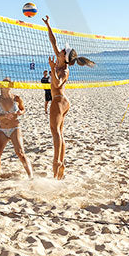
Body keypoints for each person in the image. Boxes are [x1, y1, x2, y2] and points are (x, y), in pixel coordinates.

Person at [43, 15, 95, 178]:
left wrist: (52, 69)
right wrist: (48, 25)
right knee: (59, 132)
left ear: (63, 57)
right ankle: (62, 161)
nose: (59, 50)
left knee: (55, 131)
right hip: (62, 102)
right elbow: (53, 41)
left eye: (61, 51)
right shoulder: (60, 61)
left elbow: (57, 84)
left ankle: (57, 163)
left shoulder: (63, 70)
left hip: (59, 101)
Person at [0, 79, 33, 178]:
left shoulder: (16, 98)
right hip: (2, 130)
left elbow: (23, 109)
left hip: (15, 128)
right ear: (1, 86)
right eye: (5, 84)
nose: (7, 86)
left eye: (9, 84)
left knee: (20, 153)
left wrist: (20, 112)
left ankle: (31, 176)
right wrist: (4, 116)